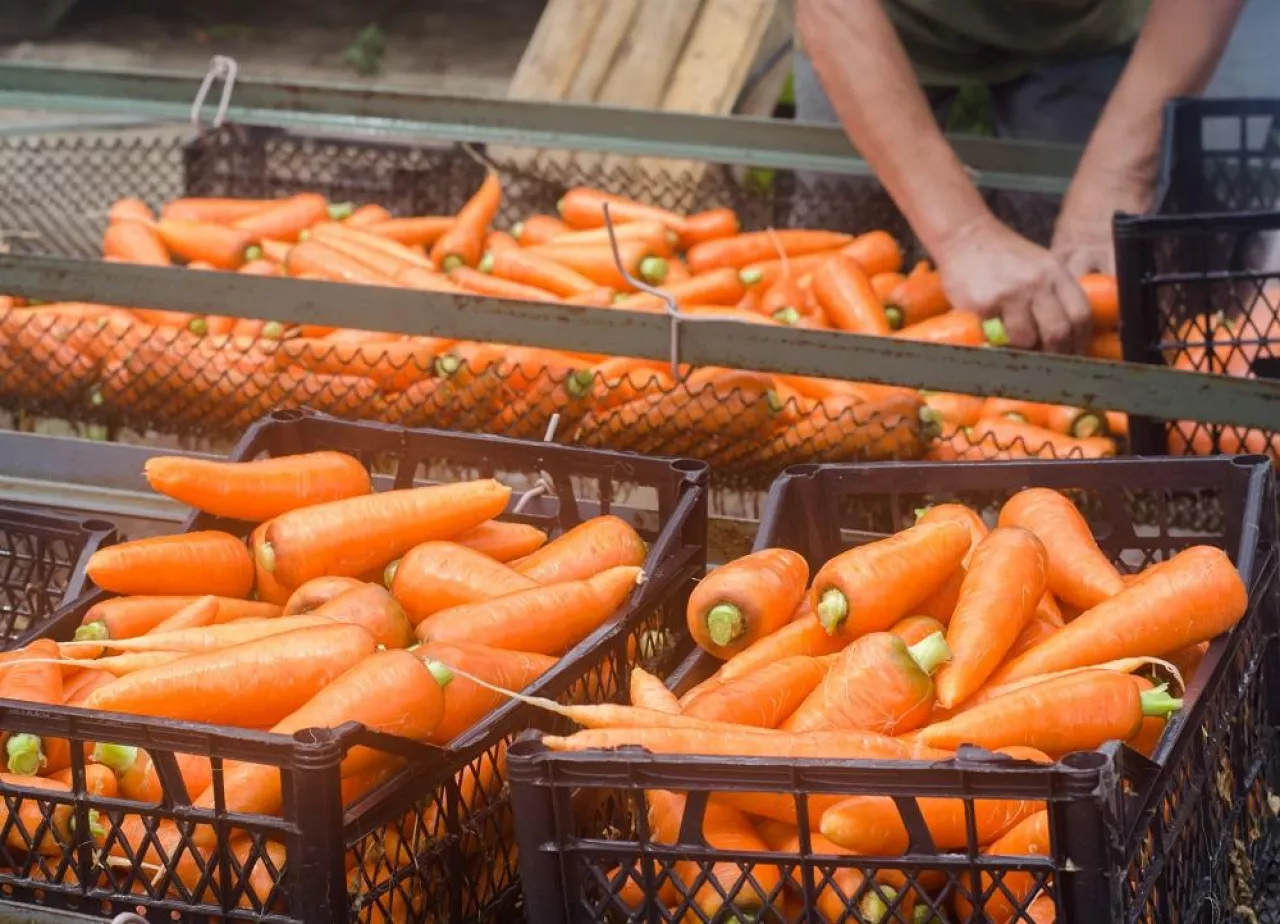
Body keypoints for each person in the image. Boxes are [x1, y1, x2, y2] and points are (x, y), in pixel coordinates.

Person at [795, 0, 1246, 352]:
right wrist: (962, 235)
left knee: (1081, 292)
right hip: (877, 25)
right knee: (838, 271)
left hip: (1081, 33)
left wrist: (1115, 177)